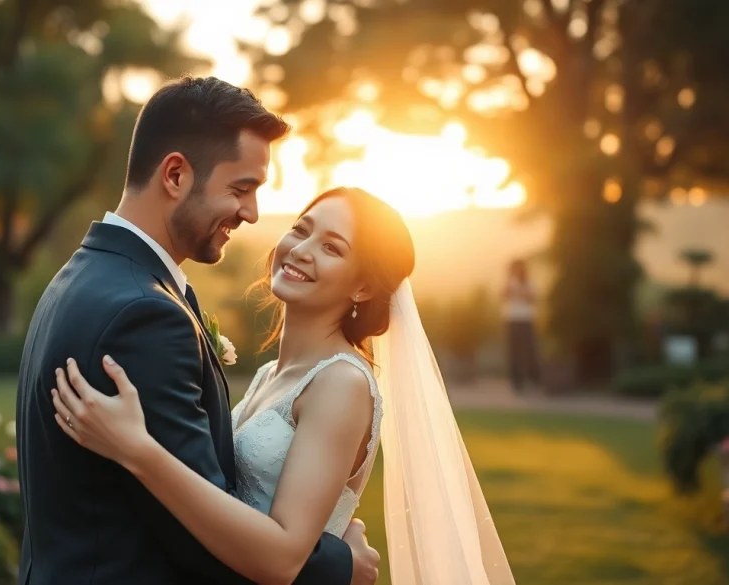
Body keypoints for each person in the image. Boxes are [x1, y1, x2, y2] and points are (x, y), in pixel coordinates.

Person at [53, 187, 519, 585]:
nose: (301, 248)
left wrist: (138, 450)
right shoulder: (269, 375)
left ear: (362, 289)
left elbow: (282, 558)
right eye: (301, 228)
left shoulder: (342, 384)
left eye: (332, 247)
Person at [15, 77, 378, 585]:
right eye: (240, 189)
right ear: (176, 175)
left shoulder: (84, 275)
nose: (251, 213)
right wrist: (340, 564)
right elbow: (196, 541)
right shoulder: (144, 314)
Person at [502, 259, 540, 392]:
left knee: (529, 350)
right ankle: (516, 382)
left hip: (526, 320)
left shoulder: (529, 283)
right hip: (512, 320)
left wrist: (519, 292)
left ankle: (534, 378)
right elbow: (504, 295)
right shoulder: (509, 282)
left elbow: (532, 298)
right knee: (514, 352)